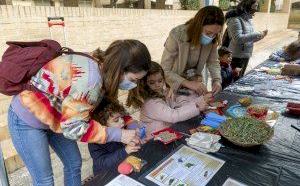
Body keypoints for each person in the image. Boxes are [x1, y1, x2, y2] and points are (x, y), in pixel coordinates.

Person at [8, 40, 151, 186]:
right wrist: (119, 134)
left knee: (74, 164)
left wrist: (131, 125)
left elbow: (107, 103)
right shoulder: (91, 81)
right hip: (27, 119)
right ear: (120, 69)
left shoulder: (102, 63)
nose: (134, 84)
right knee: (44, 180)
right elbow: (74, 129)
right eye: (134, 79)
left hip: (59, 115)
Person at [127, 61, 209, 138]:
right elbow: (174, 115)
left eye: (160, 81)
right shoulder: (150, 103)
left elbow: (178, 107)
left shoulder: (161, 94)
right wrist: (197, 107)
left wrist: (200, 100)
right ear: (144, 84)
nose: (157, 85)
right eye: (152, 82)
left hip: (164, 135)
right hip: (153, 140)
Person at [161, 6, 225, 97]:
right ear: (198, 26)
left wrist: (217, 80)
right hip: (174, 83)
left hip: (195, 81)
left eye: (215, 34)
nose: (211, 37)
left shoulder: (213, 39)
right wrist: (187, 83)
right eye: (208, 33)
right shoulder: (177, 34)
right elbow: (164, 69)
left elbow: (213, 62)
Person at [88, 101, 140, 175]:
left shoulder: (123, 130)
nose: (122, 121)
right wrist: (125, 151)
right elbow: (103, 163)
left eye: (122, 117)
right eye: (116, 120)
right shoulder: (95, 143)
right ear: (103, 126)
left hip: (124, 167)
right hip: (105, 175)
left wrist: (137, 139)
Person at [225, 0, 268, 80]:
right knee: (233, 80)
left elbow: (248, 39)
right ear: (248, 5)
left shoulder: (248, 20)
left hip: (245, 54)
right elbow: (237, 38)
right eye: (255, 6)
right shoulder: (235, 19)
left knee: (239, 78)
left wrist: (260, 35)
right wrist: (257, 34)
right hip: (236, 56)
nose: (256, 8)